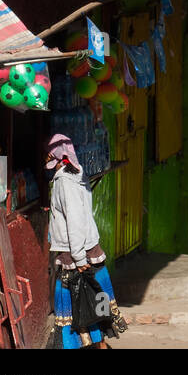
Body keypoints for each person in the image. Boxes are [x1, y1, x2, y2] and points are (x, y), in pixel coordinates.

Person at [47, 133, 124, 348]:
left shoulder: (64, 182)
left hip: (76, 253)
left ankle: (86, 344)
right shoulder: (79, 175)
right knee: (93, 306)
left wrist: (80, 259)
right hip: (88, 249)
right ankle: (96, 343)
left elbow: (74, 220)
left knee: (77, 310)